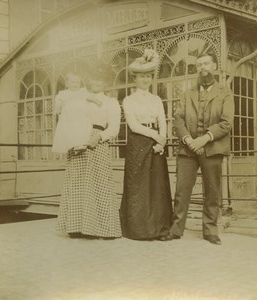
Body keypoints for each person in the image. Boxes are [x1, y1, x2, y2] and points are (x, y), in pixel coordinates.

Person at [160, 52, 234, 245]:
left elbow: (226, 123)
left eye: (206, 64)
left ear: (215, 66)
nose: (202, 68)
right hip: (187, 149)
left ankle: (210, 231)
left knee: (212, 191)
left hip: (213, 148)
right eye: (199, 65)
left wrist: (204, 139)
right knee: (182, 190)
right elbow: (178, 120)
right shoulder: (187, 94)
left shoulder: (225, 92)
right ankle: (176, 230)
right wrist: (188, 140)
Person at [57, 64, 122, 239]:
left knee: (100, 183)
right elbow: (65, 116)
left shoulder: (111, 102)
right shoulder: (79, 98)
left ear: (106, 82)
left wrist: (99, 138)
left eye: (100, 79)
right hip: (77, 140)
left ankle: (103, 228)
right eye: (93, 78)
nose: (96, 82)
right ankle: (77, 227)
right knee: (77, 183)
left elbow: (114, 128)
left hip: (97, 141)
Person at [120, 49, 173, 240]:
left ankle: (160, 229)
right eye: (141, 77)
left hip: (157, 142)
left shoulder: (156, 99)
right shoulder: (128, 100)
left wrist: (163, 141)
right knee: (139, 186)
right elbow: (134, 125)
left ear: (151, 78)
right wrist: (156, 137)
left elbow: (162, 121)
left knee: (157, 186)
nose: (144, 80)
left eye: (148, 76)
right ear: (135, 79)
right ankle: (139, 230)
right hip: (138, 142)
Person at [52, 72, 92, 154]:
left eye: (78, 82)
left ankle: (81, 146)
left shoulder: (83, 92)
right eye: (73, 82)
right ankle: (71, 146)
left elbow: (91, 100)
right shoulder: (63, 94)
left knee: (81, 131)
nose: (76, 84)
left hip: (80, 117)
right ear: (67, 84)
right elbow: (58, 103)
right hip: (68, 118)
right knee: (69, 133)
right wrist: (57, 109)